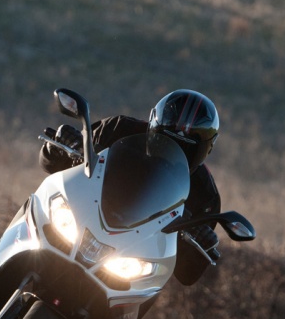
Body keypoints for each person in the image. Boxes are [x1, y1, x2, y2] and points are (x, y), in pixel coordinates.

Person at [39, 89, 222, 286]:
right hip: (76, 221)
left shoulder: (205, 196)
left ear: (205, 150)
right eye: (165, 138)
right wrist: (61, 145)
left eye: (185, 149)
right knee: (33, 217)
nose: (171, 150)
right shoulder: (118, 129)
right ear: (152, 125)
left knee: (145, 291)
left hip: (127, 263)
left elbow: (187, 276)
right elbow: (53, 165)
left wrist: (203, 245)